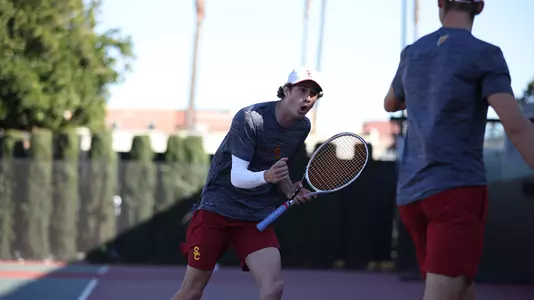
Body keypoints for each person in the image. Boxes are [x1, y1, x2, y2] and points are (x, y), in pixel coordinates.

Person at [384, 1, 534, 299]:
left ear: (440, 3)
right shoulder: (485, 54)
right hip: (455, 193)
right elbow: (515, 125)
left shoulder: (413, 52)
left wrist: (424, 89)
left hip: (411, 196)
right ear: (479, 7)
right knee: (444, 290)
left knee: (460, 286)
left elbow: (390, 103)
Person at [171, 67, 324, 300]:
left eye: (313, 93)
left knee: (273, 289)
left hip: (255, 218)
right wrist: (267, 177)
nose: (308, 98)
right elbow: (238, 177)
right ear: (286, 90)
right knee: (191, 292)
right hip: (217, 210)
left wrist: (291, 190)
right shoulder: (250, 118)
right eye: (302, 89)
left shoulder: (301, 127)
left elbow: (278, 165)